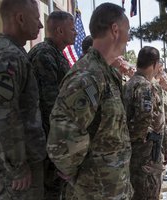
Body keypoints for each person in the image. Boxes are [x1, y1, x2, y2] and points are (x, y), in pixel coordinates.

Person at [47, 3, 133, 199]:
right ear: (115, 30)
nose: (128, 38)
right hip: (92, 191)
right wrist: (77, 174)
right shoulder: (88, 76)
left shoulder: (108, 73)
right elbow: (61, 142)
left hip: (114, 189)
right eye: (127, 31)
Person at [0, 0, 46, 199]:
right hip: (17, 176)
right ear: (20, 19)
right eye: (37, 19)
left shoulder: (16, 52)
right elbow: (2, 116)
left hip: (25, 164)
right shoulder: (7, 57)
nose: (40, 25)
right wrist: (17, 167)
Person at [28, 11, 77, 200]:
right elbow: (51, 108)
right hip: (49, 146)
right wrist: (61, 151)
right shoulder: (44, 55)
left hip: (55, 143)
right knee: (51, 193)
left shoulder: (56, 54)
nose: (74, 33)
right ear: (60, 30)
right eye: (72, 29)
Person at [124, 46, 167, 200]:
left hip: (133, 152)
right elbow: (144, 118)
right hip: (144, 153)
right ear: (154, 64)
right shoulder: (144, 85)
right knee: (148, 192)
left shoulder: (129, 84)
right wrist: (140, 139)